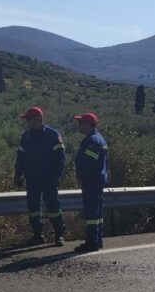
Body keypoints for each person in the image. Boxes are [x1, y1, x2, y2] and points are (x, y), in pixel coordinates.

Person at [13, 106, 66, 246]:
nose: (27, 122)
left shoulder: (53, 135)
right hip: (32, 178)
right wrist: (17, 175)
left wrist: (56, 176)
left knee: (53, 207)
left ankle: (59, 235)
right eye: (26, 119)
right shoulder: (26, 136)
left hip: (49, 179)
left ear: (38, 119)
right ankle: (38, 235)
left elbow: (60, 158)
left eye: (29, 119)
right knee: (33, 208)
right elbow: (21, 157)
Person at [73, 112, 108, 252]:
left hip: (92, 181)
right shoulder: (97, 138)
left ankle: (92, 242)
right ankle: (97, 240)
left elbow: (89, 162)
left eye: (81, 122)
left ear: (88, 124)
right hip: (97, 180)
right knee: (97, 213)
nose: (79, 125)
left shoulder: (93, 140)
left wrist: (81, 174)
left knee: (92, 212)